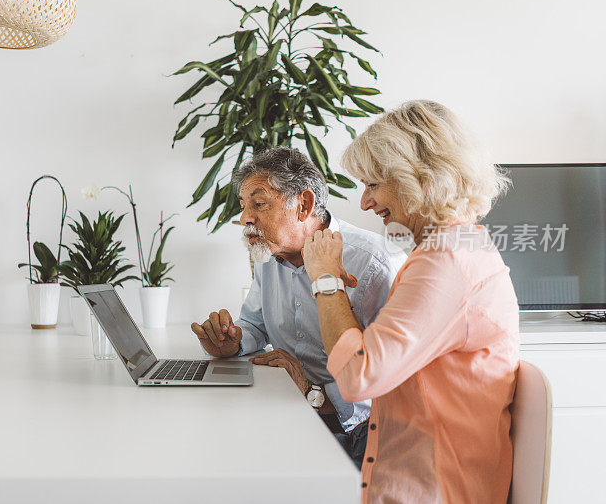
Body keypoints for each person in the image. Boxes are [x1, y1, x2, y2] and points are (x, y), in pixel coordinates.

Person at [303, 100, 518, 502]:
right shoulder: (457, 246)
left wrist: (326, 280)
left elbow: (357, 377)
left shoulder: (446, 261)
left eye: (372, 185)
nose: (364, 203)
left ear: (417, 176)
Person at [190, 148, 406, 468]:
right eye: (243, 205)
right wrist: (231, 340)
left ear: (303, 205)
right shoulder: (268, 253)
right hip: (293, 408)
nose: (245, 218)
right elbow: (254, 324)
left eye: (259, 204)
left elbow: (392, 377)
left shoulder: (373, 262)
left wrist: (313, 392)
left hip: (361, 436)